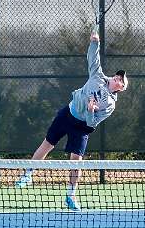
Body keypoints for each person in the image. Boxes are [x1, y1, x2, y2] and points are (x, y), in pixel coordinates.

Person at [15, 29, 128, 211]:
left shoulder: (110, 105)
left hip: (82, 127)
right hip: (68, 113)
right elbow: (93, 58)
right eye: (118, 75)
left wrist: (91, 111)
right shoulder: (98, 75)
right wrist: (94, 41)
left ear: (121, 88)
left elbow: (92, 123)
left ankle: (71, 195)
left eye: (121, 80)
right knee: (47, 144)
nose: (118, 77)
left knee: (76, 160)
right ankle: (28, 175)